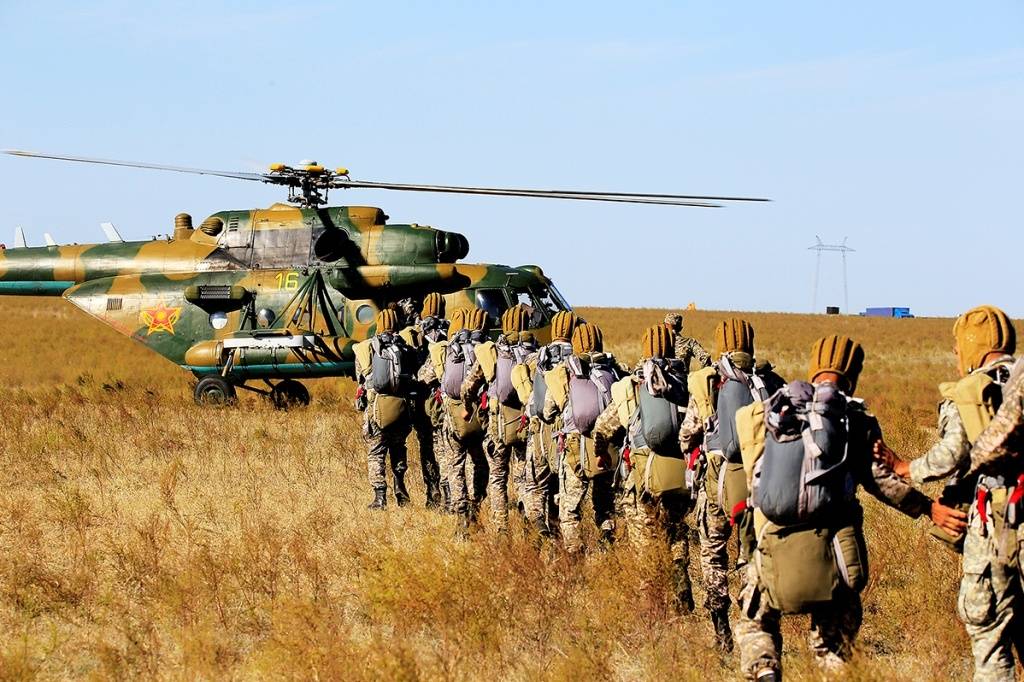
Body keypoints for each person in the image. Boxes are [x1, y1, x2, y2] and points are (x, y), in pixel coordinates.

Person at [735, 335, 967, 681]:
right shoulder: (854, 420)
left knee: (755, 624)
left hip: (772, 546)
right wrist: (929, 509)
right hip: (833, 554)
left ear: (814, 368)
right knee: (834, 647)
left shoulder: (775, 410)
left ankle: (766, 669)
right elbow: (883, 483)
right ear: (852, 375)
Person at [876, 305, 1018, 681]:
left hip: (998, 527)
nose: (957, 357)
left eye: (958, 349)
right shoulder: (1019, 382)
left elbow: (953, 455)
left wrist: (906, 467)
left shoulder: (973, 391)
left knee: (989, 634)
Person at [677, 318, 784, 652]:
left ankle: (720, 624)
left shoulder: (711, 382)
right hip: (763, 482)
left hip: (718, 481)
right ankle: (753, 616)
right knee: (753, 553)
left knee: (713, 551)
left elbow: (686, 434)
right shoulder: (770, 381)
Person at [592, 325, 695, 609]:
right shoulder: (685, 383)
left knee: (644, 540)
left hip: (642, 477)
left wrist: (601, 454)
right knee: (676, 530)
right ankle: (679, 575)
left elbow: (602, 427)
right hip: (678, 474)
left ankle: (651, 604)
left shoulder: (633, 386)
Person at [542, 322, 624, 552]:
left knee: (569, 507)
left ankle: (574, 552)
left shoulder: (566, 372)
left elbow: (547, 412)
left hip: (574, 446)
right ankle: (608, 542)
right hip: (606, 447)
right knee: (604, 502)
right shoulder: (613, 371)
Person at [460, 305, 539, 532]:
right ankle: (530, 526)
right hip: (525, 426)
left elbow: (468, 386)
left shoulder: (493, 352)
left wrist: (468, 407)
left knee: (497, 478)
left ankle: (501, 529)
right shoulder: (536, 354)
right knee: (525, 477)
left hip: (497, 425)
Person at [523, 310, 581, 536]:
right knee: (562, 485)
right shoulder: (577, 358)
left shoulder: (539, 355)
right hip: (566, 431)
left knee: (536, 483)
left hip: (539, 427)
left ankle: (538, 523)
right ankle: (558, 531)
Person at [354, 309, 417, 509]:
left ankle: (380, 497)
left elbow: (362, 380)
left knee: (376, 453)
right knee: (399, 448)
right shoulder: (404, 347)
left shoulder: (366, 348)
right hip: (400, 409)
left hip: (376, 410)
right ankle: (400, 487)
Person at [440, 307, 491, 533]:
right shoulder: (486, 351)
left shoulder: (449, 349)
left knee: (455, 464)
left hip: (453, 415)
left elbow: (430, 376)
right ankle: (476, 503)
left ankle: (460, 511)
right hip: (479, 415)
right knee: (479, 461)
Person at [399, 293, 449, 509]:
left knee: (427, 447)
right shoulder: (451, 332)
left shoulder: (415, 333)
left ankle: (433, 493)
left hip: (421, 399)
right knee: (446, 448)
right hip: (444, 400)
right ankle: (449, 493)